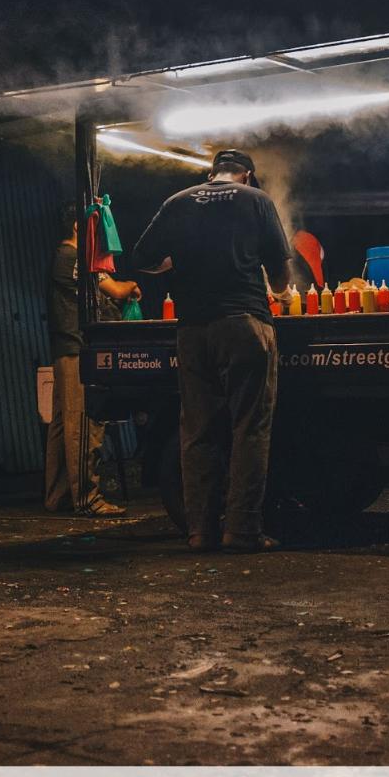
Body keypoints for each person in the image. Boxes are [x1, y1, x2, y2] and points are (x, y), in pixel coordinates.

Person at [128, 148, 292, 554]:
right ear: (248, 175)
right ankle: (242, 530)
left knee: (198, 431)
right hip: (244, 323)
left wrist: (173, 265)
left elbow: (141, 258)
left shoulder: (177, 202)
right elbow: (278, 267)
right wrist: (284, 294)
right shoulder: (257, 201)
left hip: (193, 331)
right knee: (248, 428)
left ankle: (199, 531)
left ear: (211, 173)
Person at [47, 201, 140, 517]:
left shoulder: (70, 258)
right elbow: (113, 289)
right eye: (94, 224)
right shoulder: (71, 257)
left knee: (63, 425)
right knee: (84, 425)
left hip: (68, 349)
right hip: (76, 350)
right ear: (78, 226)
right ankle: (87, 497)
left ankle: (59, 495)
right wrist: (129, 287)